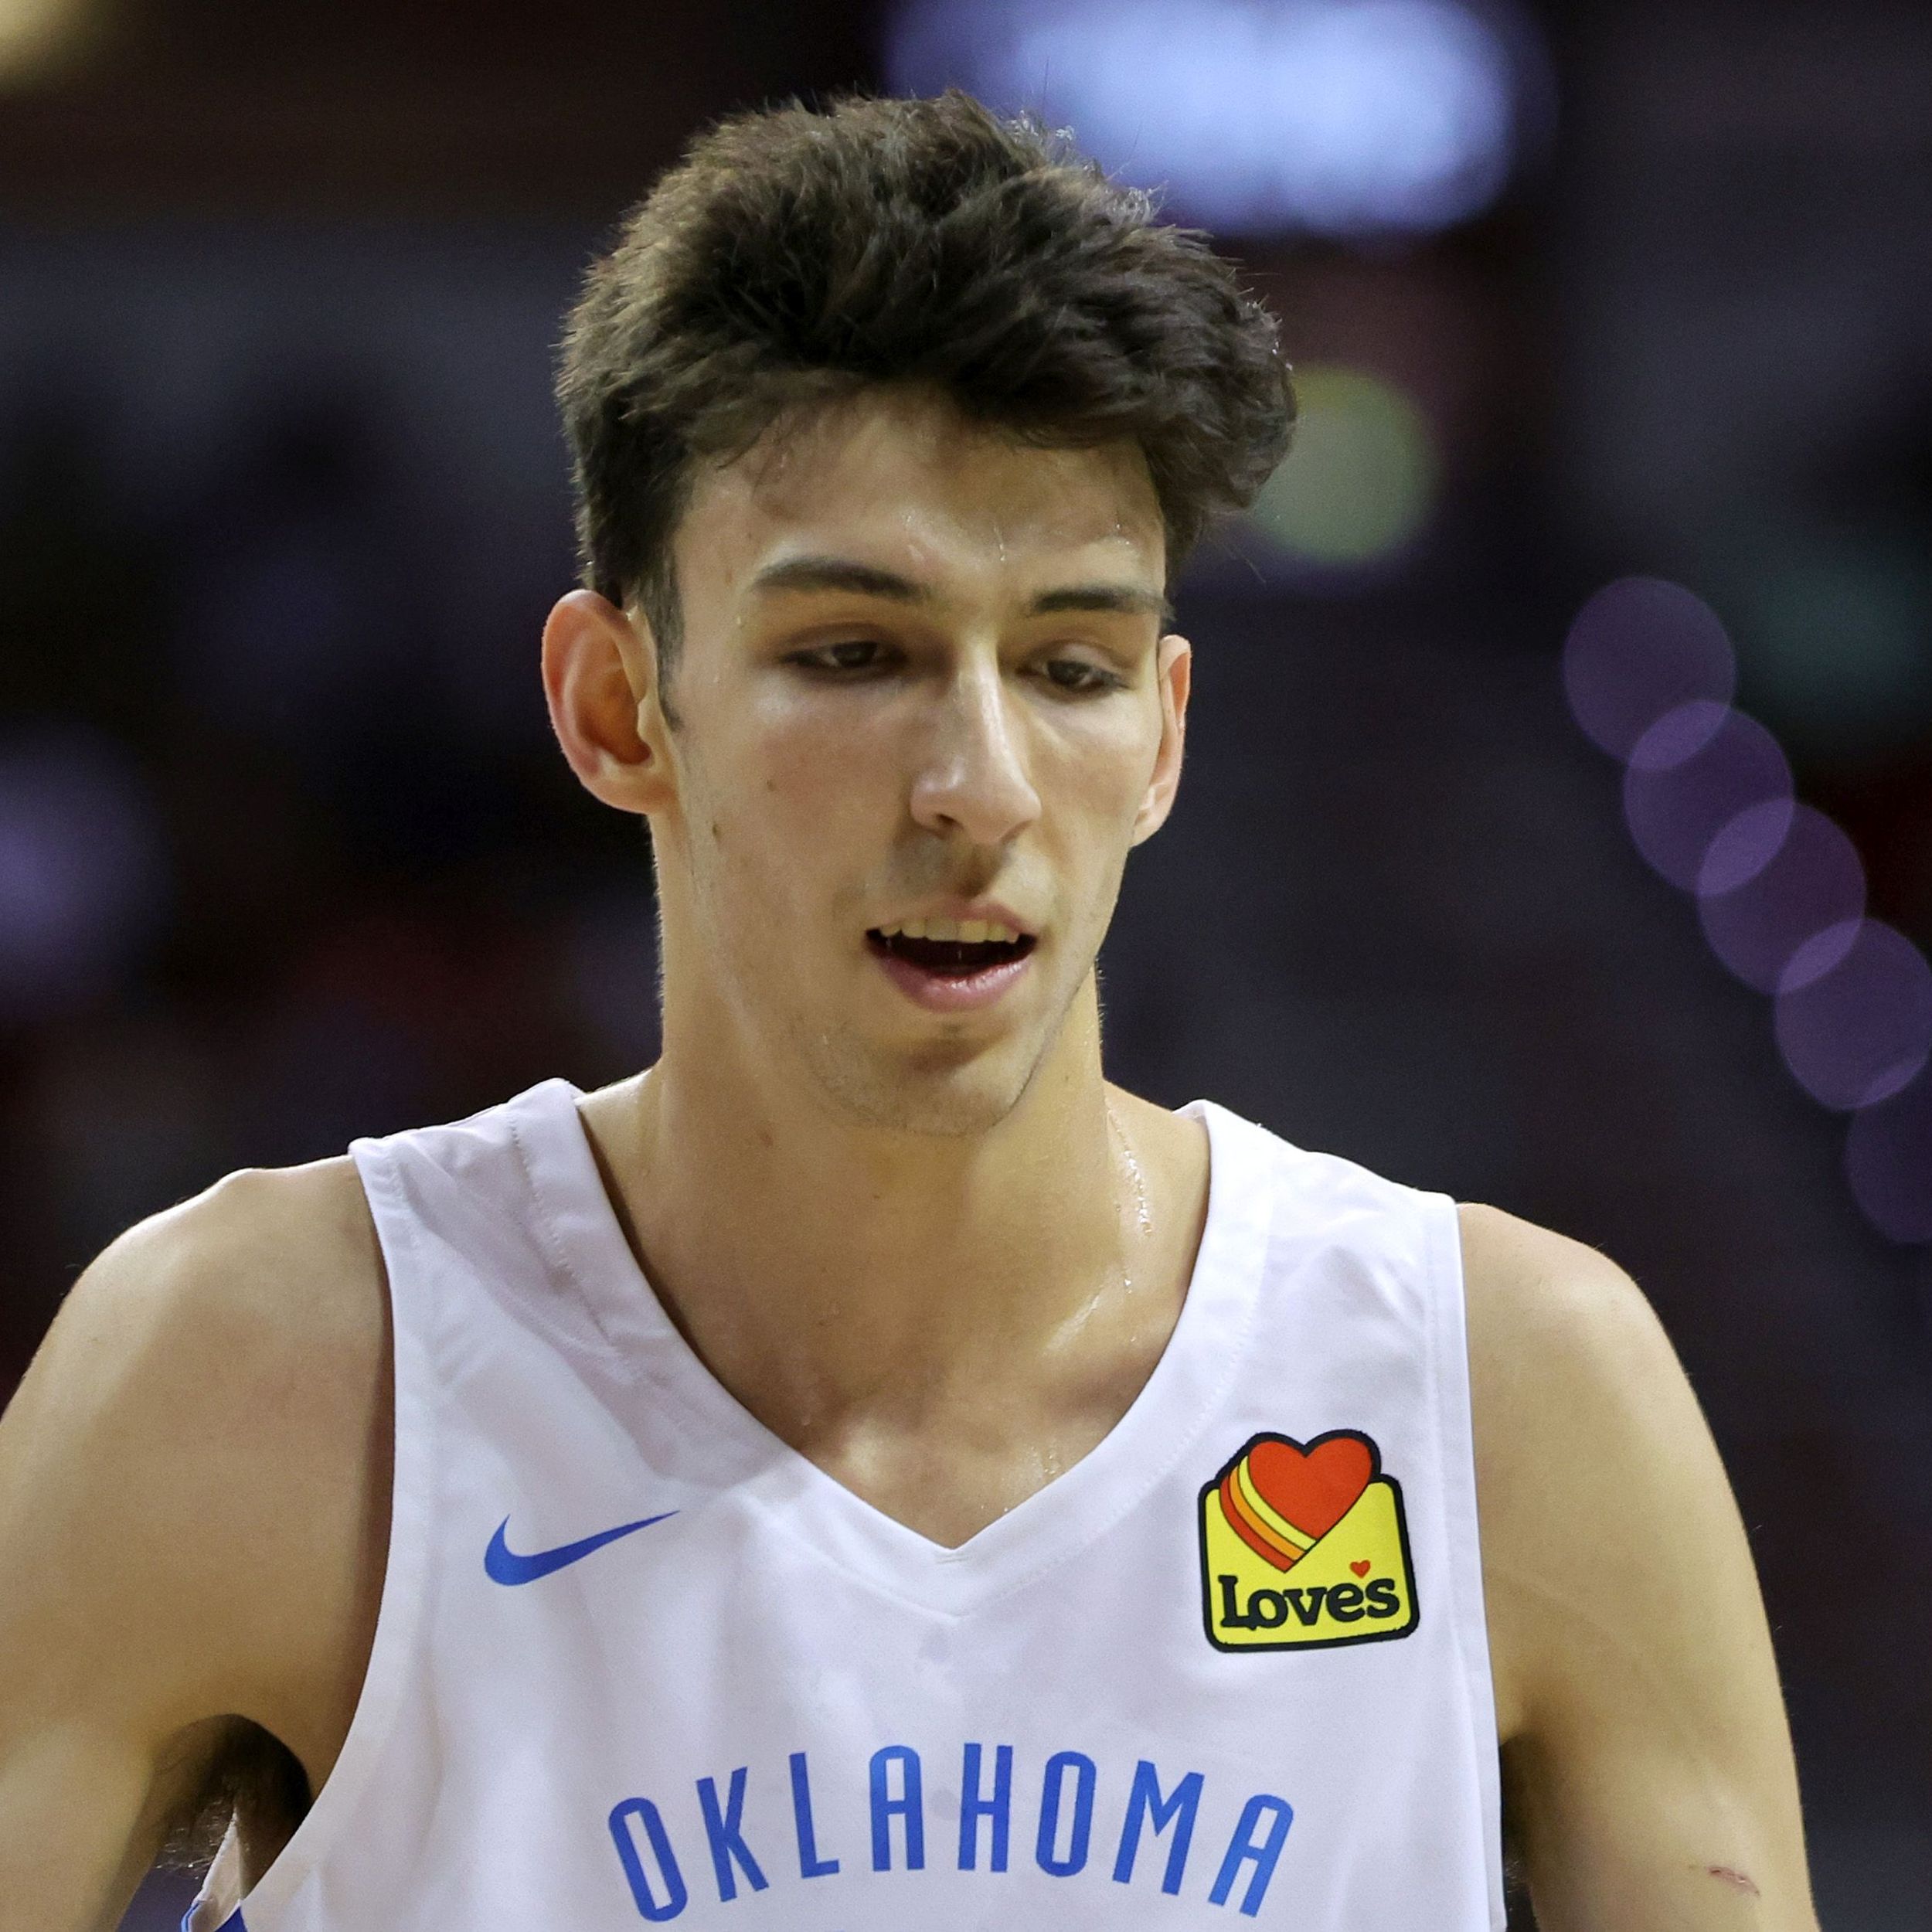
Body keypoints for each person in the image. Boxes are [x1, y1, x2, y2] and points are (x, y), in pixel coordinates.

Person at [0, 90, 1819, 1932]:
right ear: (620, 707)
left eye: (1070, 665)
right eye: (850, 654)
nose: (976, 781)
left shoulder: (1501, 1396)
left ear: (1165, 735)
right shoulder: (263, 1369)